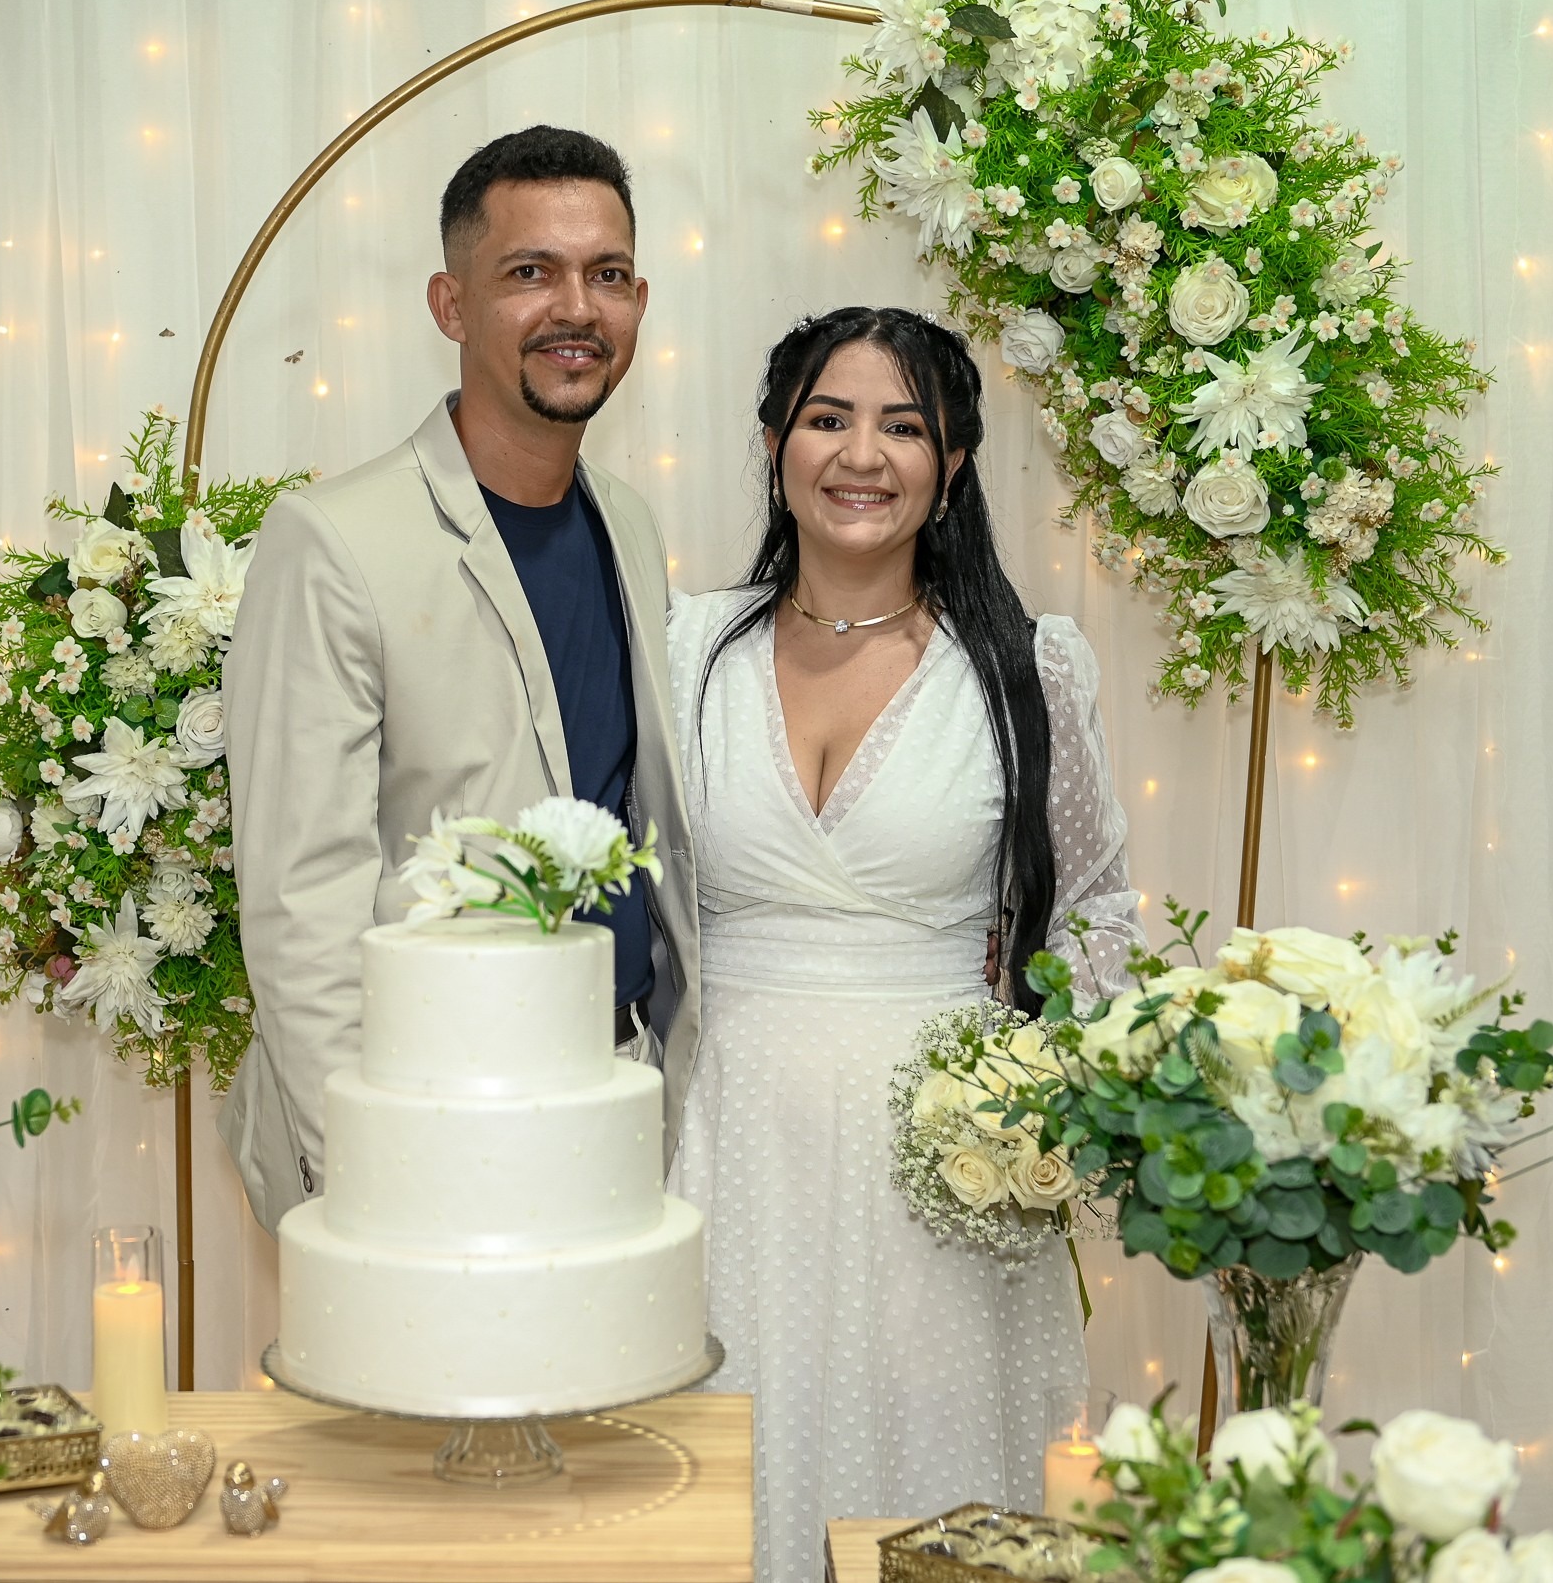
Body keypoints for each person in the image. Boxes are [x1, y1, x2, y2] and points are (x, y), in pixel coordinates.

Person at [665, 307, 1145, 1582]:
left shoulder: (1027, 667)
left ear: (953, 463)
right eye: (827, 419)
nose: (861, 455)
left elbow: (1098, 907)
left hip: (945, 1167)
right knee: (721, 1471)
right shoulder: (682, 647)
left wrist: (1045, 1072)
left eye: (903, 427)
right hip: (720, 1138)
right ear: (775, 444)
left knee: (928, 1498)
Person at [220, 126, 700, 1235]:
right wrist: (371, 1169)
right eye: (529, 272)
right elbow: (300, 900)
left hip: (617, 1094)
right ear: (451, 305)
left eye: (607, 275)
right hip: (425, 1109)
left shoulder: (630, 524)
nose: (576, 308)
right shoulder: (335, 538)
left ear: (638, 303)